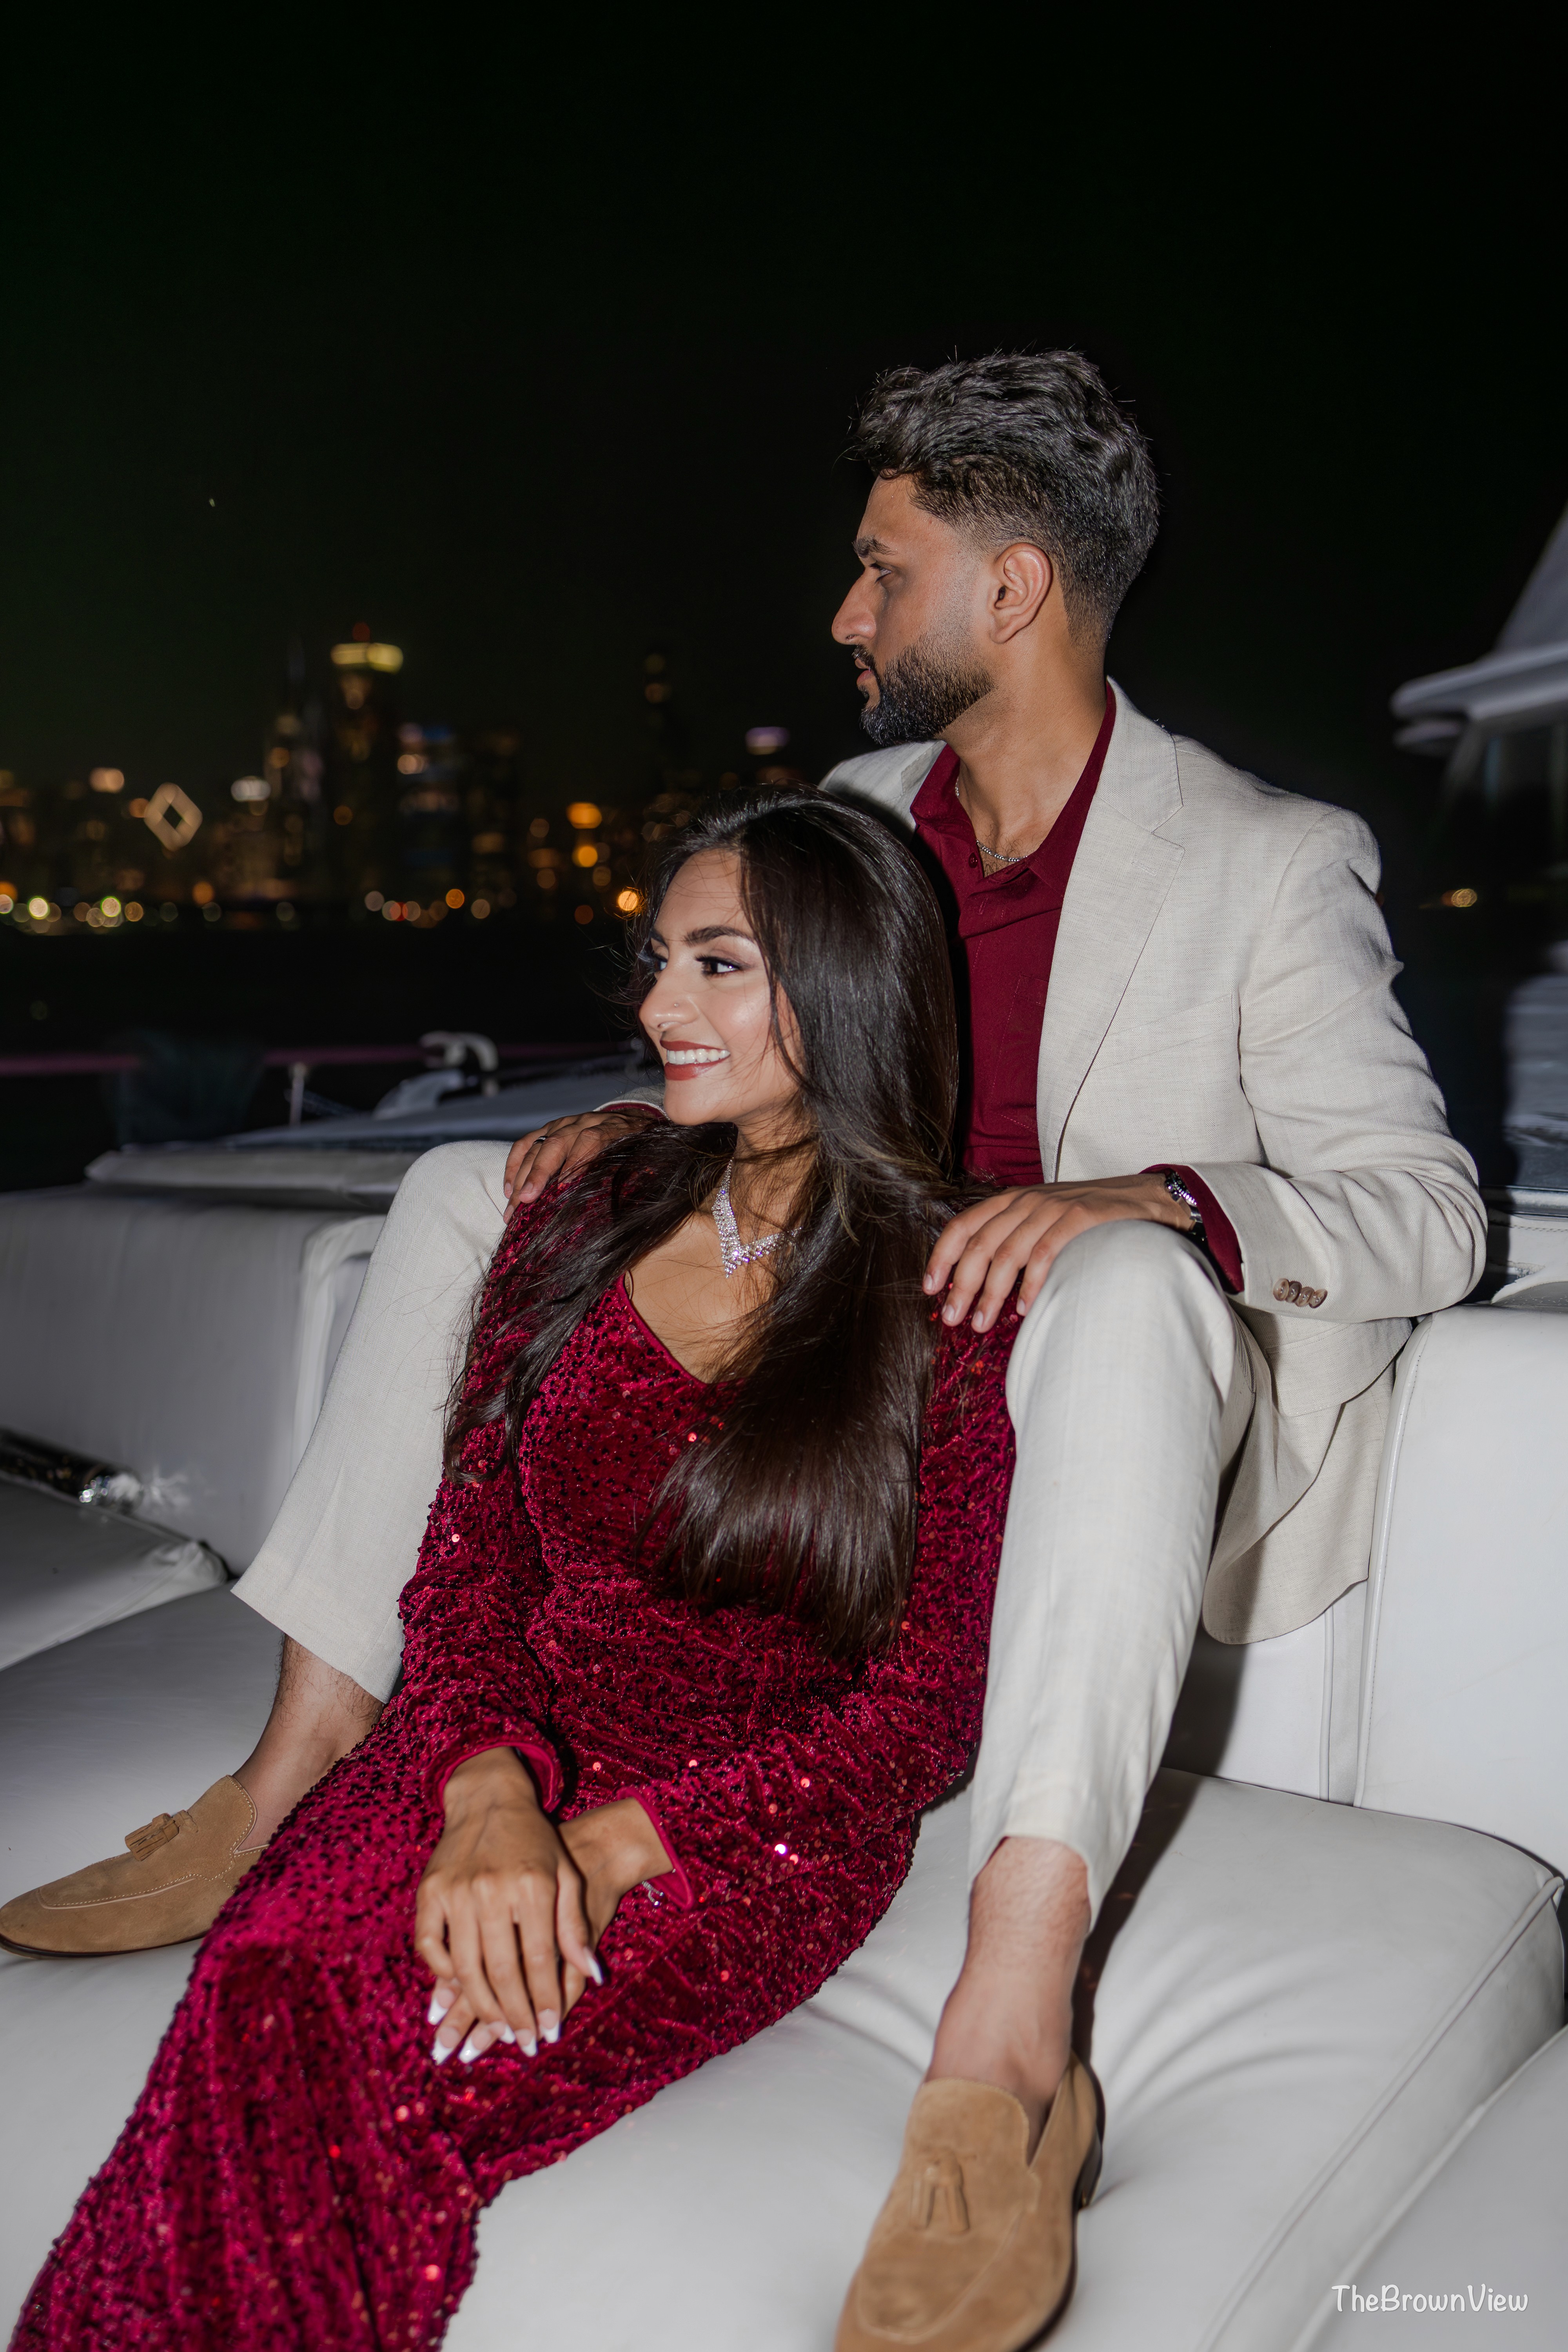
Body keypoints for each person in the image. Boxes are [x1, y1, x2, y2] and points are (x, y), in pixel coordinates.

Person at [5, 353, 1484, 2352]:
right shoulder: (858, 819)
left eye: (882, 570)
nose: (844, 613)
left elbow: (1423, 1209)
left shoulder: (1263, 858)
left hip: (1071, 1371)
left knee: (1127, 1293)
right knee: (464, 1186)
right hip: (831, 1316)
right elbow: (785, 1036)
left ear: (1013, 587)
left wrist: (1150, 1200)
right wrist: (653, 1123)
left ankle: (1011, 2023)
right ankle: (297, 1760)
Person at [17, 795, 1105, 2351]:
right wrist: (484, 1791)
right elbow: (466, 1572)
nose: (658, 1009)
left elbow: (922, 1713)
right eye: (659, 961)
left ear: (848, 985)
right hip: (483, 1740)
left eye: (717, 965)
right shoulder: (583, 1216)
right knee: (259, 1987)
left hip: (742, 1835)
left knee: (407, 2065)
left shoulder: (953, 1297)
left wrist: (603, 1851)